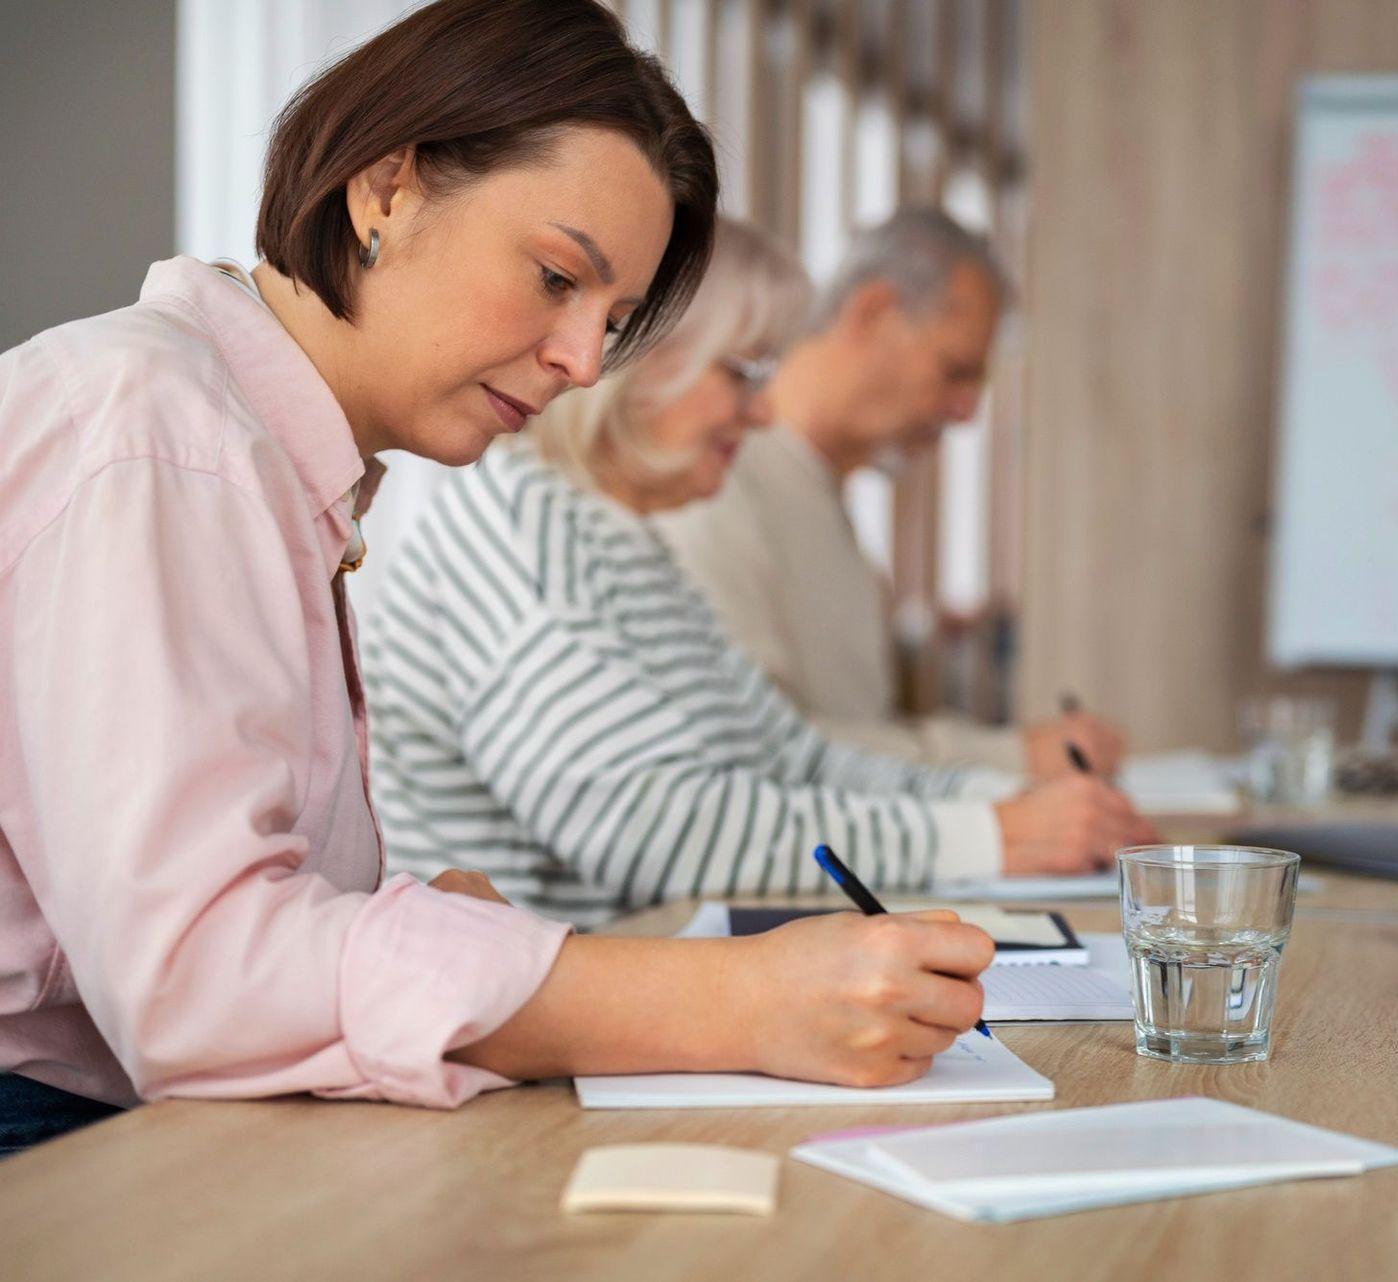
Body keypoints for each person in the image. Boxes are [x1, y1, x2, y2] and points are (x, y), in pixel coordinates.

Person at [0, 0, 994, 1157]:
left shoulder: (266, 461)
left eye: (613, 320)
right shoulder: (164, 436)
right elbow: (198, 981)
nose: (581, 362)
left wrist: (411, 924)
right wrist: (741, 1000)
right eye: (555, 276)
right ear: (387, 189)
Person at [362, 219, 1157, 930]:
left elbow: (798, 760)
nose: (765, 411)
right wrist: (992, 834)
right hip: (531, 1049)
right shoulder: (514, 530)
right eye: (742, 374)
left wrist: (1010, 808)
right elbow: (655, 832)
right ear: (643, 360)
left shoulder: (624, 544)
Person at [654, 209, 1128, 777]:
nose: (967, 411)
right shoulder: (712, 482)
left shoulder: (822, 503)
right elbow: (760, 751)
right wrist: (1011, 761)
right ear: (872, 312)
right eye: (954, 371)